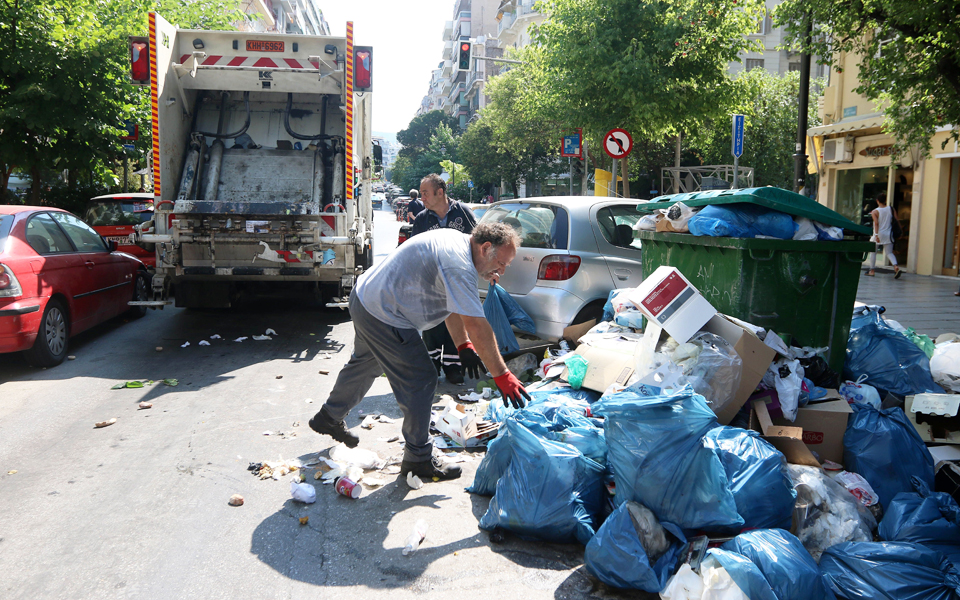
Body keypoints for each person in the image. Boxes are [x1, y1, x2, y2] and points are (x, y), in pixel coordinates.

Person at [308, 223, 530, 480]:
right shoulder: (459, 264)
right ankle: (418, 458)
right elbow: (477, 325)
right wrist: (502, 375)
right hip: (385, 313)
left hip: (367, 297)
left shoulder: (458, 243)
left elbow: (453, 305)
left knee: (366, 364)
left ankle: (328, 416)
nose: (501, 271)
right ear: (486, 247)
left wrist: (463, 345)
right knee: (421, 378)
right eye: (501, 263)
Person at [411, 174, 479, 383]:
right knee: (432, 323)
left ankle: (453, 367)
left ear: (440, 193)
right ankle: (431, 366)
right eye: (421, 193)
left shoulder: (463, 212)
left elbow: (476, 244)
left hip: (457, 279)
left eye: (425, 193)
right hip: (431, 281)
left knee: (456, 319)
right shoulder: (423, 218)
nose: (422, 197)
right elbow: (414, 250)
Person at [867, 193, 901, 279]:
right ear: (885, 200)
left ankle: (872, 270)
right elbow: (897, 220)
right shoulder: (891, 209)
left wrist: (877, 235)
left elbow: (876, 223)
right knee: (889, 252)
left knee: (873, 252)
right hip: (888, 234)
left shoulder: (874, 212)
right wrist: (900, 231)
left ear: (877, 201)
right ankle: (895, 266)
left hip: (878, 234)